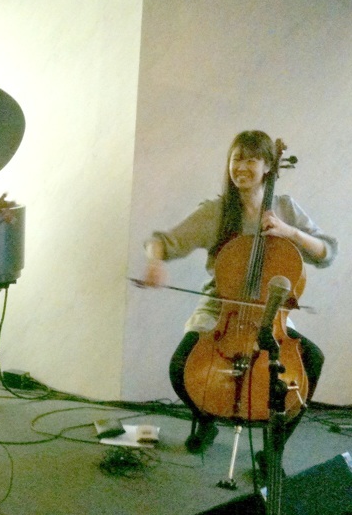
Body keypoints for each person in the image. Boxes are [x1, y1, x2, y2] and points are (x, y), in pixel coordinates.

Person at [143, 130, 337, 457]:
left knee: (312, 361)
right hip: (221, 310)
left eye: (251, 160)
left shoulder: (285, 208)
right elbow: (160, 241)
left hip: (270, 314)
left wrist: (290, 232)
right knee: (181, 365)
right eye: (236, 159)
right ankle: (206, 417)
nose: (241, 167)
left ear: (268, 167)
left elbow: (327, 252)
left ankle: (273, 448)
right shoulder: (217, 211)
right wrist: (155, 262)